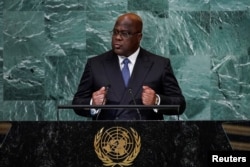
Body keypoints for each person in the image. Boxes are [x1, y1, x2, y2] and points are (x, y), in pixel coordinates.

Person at [72, 13, 186, 120]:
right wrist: (93, 103)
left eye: (124, 33)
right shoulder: (95, 64)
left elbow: (180, 104)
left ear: (139, 37)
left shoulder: (160, 65)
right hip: (108, 138)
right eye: (115, 32)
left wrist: (156, 100)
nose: (118, 37)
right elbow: (77, 103)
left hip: (148, 137)